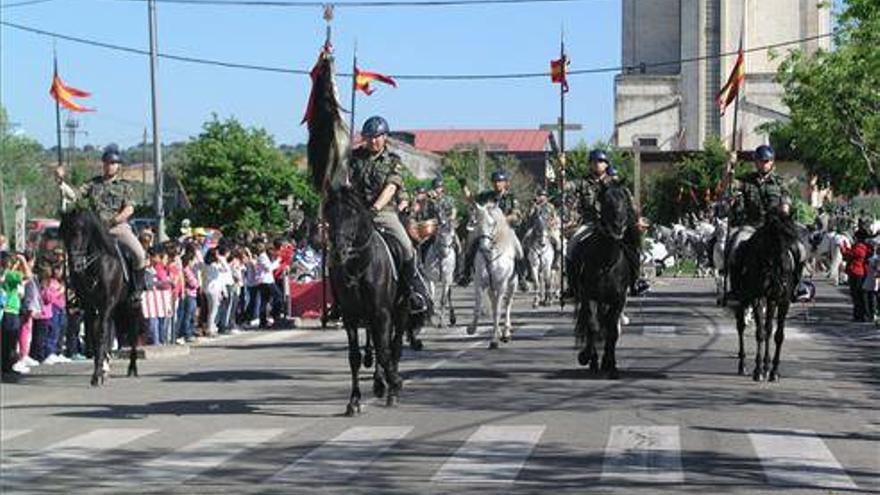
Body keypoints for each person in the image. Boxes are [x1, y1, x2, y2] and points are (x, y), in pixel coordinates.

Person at [348, 115, 430, 314]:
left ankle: (411, 292)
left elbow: (391, 187)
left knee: (406, 246)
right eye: (368, 137)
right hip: (357, 214)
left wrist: (374, 209)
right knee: (337, 247)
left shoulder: (393, 160)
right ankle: (342, 297)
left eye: (377, 136)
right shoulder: (354, 157)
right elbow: (345, 181)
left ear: (385, 137)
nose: (373, 141)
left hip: (383, 213)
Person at [55, 145, 146, 300]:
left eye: (112, 163)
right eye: (106, 162)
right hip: (95, 230)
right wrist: (61, 181)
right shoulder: (93, 183)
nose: (109, 166)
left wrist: (115, 220)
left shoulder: (125, 186)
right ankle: (75, 292)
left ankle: (137, 289)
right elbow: (75, 195)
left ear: (118, 166)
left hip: (118, 228)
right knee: (76, 254)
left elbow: (129, 208)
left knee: (139, 254)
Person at [724, 145, 803, 300]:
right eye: (759, 161)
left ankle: (795, 287)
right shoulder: (747, 180)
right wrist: (730, 165)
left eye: (766, 161)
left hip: (774, 227)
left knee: (799, 249)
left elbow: (785, 203)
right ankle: (735, 288)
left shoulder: (780, 183)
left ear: (772, 163)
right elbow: (729, 184)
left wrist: (783, 215)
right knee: (734, 248)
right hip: (752, 226)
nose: (763, 164)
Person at [458, 169, 523, 285]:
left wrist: (502, 220)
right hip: (487, 230)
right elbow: (471, 200)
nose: (497, 183)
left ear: (505, 183)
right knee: (471, 243)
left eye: (499, 181)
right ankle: (466, 274)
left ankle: (522, 277)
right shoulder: (486, 196)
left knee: (519, 249)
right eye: (494, 181)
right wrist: (464, 186)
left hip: (505, 230)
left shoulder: (510, 198)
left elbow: (516, 215)